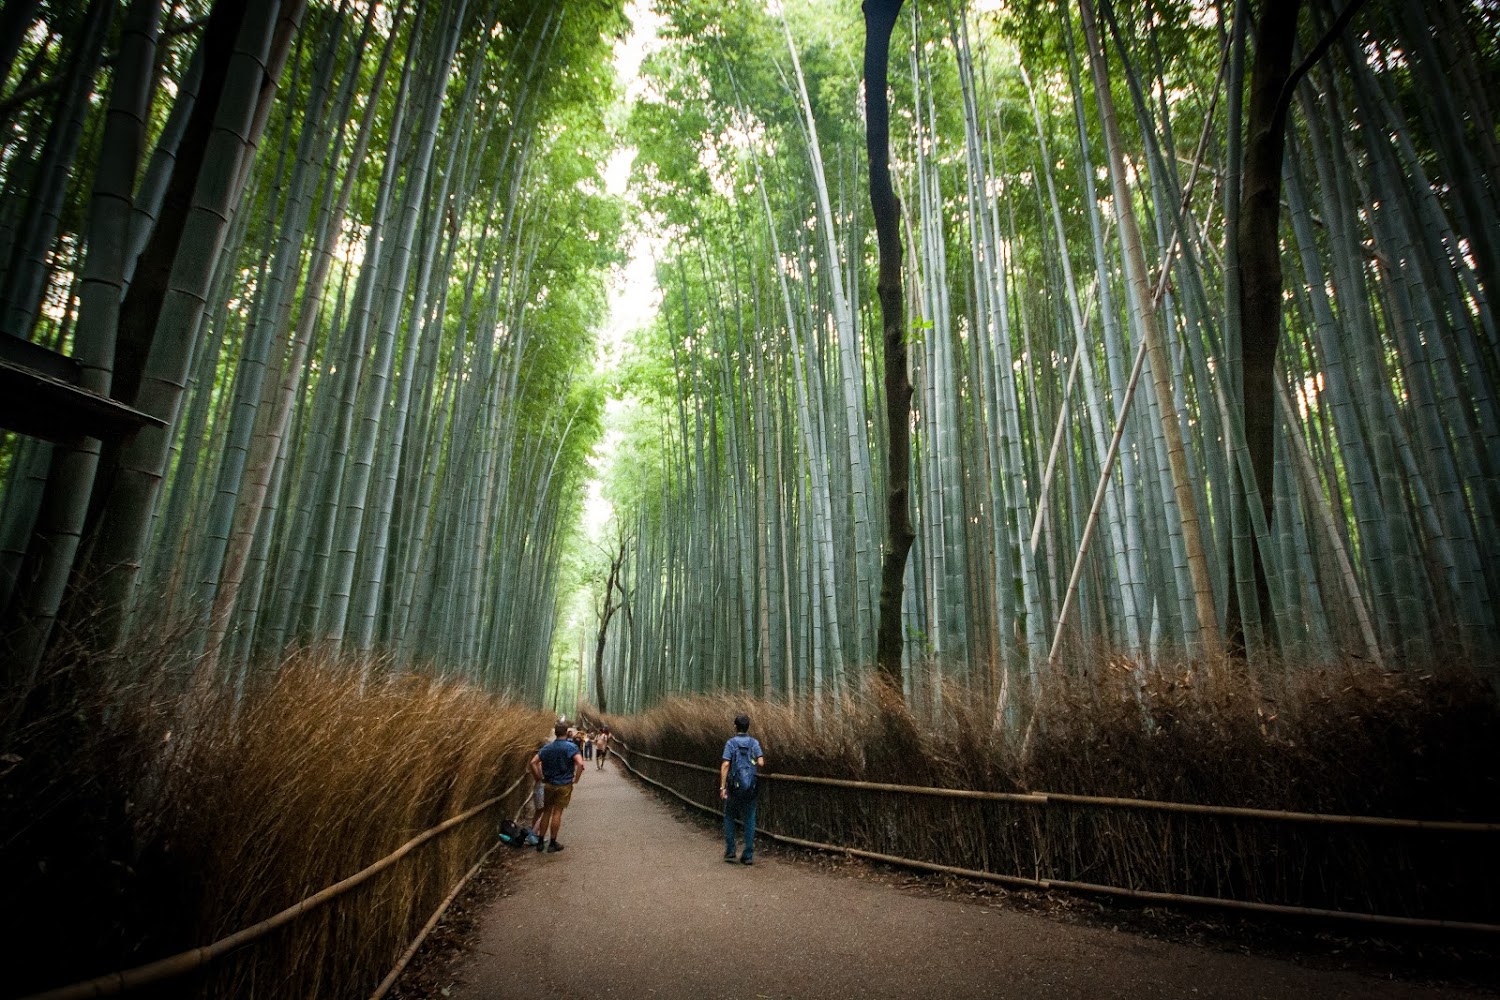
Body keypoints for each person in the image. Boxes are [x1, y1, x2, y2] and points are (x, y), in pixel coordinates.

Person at [530, 721, 584, 853]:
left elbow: (533, 762)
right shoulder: (571, 747)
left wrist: (539, 777)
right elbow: (580, 764)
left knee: (546, 811)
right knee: (557, 812)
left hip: (548, 784)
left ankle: (540, 842)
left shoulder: (547, 748)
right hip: (564, 784)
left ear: (555, 732)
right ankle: (553, 843)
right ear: (566, 732)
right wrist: (576, 779)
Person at [719, 713, 765, 865]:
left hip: (734, 787)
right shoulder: (754, 743)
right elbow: (761, 762)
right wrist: (750, 765)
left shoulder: (731, 743)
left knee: (730, 816)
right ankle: (748, 855)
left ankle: (731, 851)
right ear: (748, 727)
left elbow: (725, 764)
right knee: (750, 818)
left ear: (735, 726)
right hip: (750, 787)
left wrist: (722, 787)